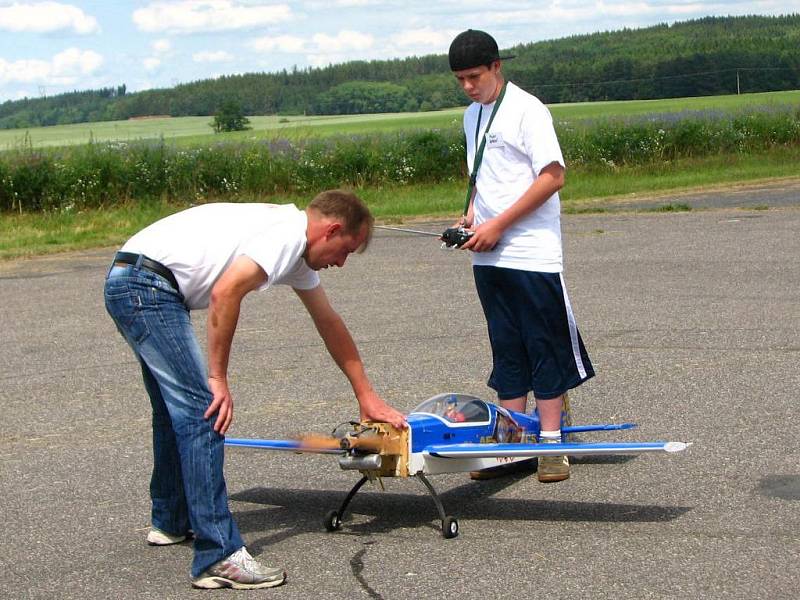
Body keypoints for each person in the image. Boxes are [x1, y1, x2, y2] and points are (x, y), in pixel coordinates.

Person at [104, 190, 406, 589]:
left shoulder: (293, 245)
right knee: (204, 411)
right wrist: (218, 379)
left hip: (133, 280)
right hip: (147, 287)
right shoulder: (286, 237)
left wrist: (366, 395)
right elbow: (226, 292)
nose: (341, 262)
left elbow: (329, 322)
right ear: (331, 229)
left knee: (174, 412)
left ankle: (171, 520)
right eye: (345, 249)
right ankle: (219, 556)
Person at [447, 30, 595, 482]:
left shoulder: (528, 110)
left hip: (530, 252)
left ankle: (552, 444)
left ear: (497, 67)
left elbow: (552, 177)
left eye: (475, 76)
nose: (469, 86)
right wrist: (471, 218)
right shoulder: (473, 116)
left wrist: (499, 225)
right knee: (506, 348)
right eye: (460, 80)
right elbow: (484, 177)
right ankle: (511, 444)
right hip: (488, 254)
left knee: (542, 345)